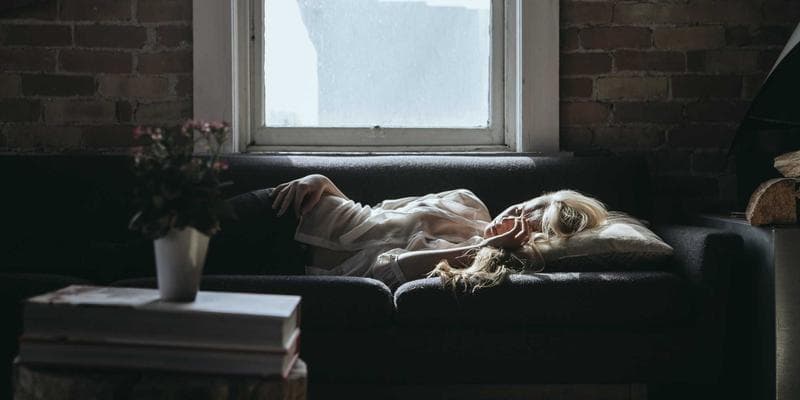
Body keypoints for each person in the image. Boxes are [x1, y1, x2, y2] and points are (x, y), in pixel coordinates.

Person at [268, 174, 608, 291]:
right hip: (293, 210)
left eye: (524, 226)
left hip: (289, 267)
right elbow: (376, 212)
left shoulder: (481, 263)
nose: (511, 218)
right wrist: (323, 183)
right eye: (518, 208)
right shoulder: (466, 201)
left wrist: (489, 246)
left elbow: (388, 268)